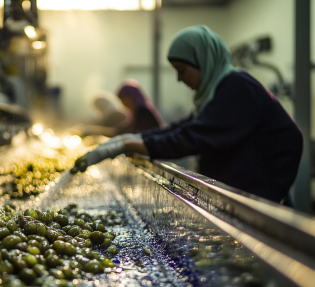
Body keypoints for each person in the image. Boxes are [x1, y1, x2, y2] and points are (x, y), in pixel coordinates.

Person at [71, 26, 303, 204]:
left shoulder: (236, 88)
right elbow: (181, 128)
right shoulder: (214, 93)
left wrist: (123, 146)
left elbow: (191, 137)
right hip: (237, 198)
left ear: (202, 61)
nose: (180, 79)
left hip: (258, 201)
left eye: (182, 71)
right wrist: (127, 141)